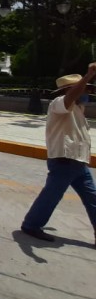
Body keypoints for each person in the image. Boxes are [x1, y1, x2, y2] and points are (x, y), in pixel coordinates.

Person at [20, 64, 96, 245]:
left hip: (78, 162)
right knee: (51, 196)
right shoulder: (59, 103)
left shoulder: (79, 109)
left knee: (92, 198)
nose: (88, 92)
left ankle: (32, 223)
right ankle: (31, 225)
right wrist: (88, 76)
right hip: (64, 162)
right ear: (72, 90)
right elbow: (70, 98)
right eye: (85, 89)